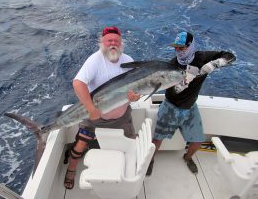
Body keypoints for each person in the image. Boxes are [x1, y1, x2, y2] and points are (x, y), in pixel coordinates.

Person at [147, 31, 236, 176]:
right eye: (176, 48)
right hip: (171, 107)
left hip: (190, 107)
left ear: (191, 46)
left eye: (182, 48)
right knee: (157, 140)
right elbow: (172, 91)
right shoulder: (171, 65)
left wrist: (215, 63)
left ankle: (187, 158)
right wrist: (182, 84)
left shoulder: (202, 57)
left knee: (197, 141)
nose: (178, 51)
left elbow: (230, 56)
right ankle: (150, 161)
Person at [64, 26, 140, 189]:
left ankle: (130, 172)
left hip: (122, 118)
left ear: (121, 43)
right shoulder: (94, 60)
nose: (113, 44)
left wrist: (134, 97)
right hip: (94, 120)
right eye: (109, 40)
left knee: (131, 144)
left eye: (116, 41)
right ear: (102, 42)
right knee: (79, 146)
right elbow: (78, 83)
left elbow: (134, 89)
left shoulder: (128, 60)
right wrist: (91, 109)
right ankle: (71, 170)